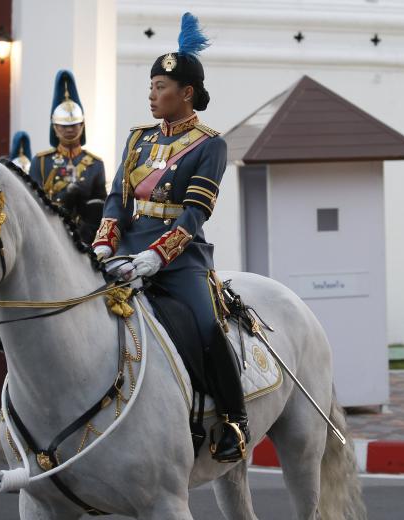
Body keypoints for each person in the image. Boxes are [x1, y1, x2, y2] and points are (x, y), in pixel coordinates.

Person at [92, 12, 249, 463]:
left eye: (161, 87)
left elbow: (195, 212)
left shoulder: (210, 144)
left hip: (179, 258)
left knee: (205, 325)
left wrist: (157, 257)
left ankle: (234, 420)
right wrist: (105, 242)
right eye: (150, 86)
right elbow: (117, 199)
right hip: (125, 250)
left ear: (187, 93)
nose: (152, 94)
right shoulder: (138, 139)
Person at [28, 70, 107, 243]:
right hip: (50, 233)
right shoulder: (41, 162)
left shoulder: (95, 164)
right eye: (64, 126)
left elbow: (101, 206)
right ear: (55, 127)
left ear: (82, 125)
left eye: (74, 125)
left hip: (86, 236)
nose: (70, 130)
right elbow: (33, 204)